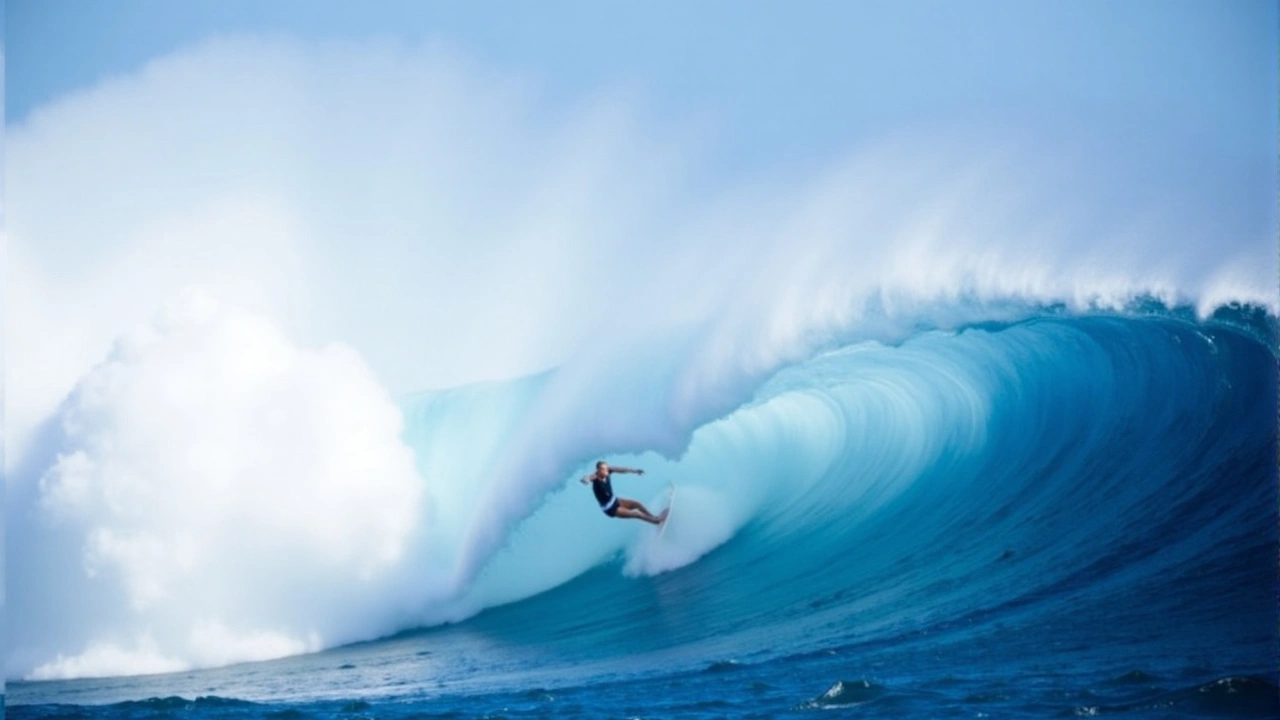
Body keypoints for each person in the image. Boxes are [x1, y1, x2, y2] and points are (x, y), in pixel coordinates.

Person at [581, 460, 667, 525]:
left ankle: (654, 517)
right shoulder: (595, 477)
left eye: (607, 468)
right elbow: (587, 477)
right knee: (636, 514)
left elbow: (621, 469)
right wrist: (585, 480)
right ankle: (656, 521)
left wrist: (634, 471)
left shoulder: (608, 471)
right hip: (610, 508)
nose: (606, 471)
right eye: (603, 469)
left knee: (638, 504)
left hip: (615, 500)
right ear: (598, 470)